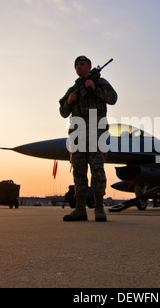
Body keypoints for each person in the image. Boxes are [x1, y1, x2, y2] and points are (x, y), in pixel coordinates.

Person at [59, 55, 117, 222]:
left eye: (82, 63)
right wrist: (69, 101)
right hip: (77, 131)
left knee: (97, 167)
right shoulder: (73, 89)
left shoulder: (100, 82)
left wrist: (94, 88)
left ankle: (99, 208)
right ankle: (80, 209)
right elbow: (63, 112)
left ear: (89, 66)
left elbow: (113, 98)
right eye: (76, 64)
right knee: (78, 169)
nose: (78, 66)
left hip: (95, 130)